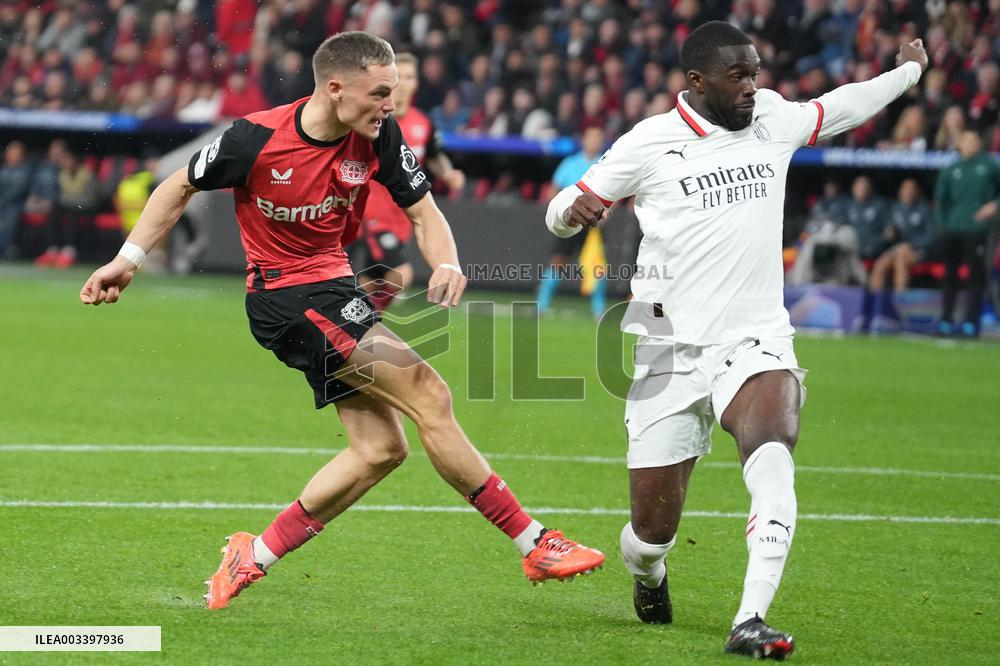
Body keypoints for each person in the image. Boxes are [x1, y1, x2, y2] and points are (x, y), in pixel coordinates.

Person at [80, 32, 603, 612]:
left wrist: (448, 261)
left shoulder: (378, 135)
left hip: (333, 287)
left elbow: (423, 211)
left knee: (380, 449)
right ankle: (535, 542)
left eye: (395, 92)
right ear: (334, 89)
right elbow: (177, 186)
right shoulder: (254, 138)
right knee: (429, 394)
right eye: (381, 92)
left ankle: (252, 555)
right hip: (288, 295)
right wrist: (127, 261)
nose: (391, 104)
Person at [546, 21, 927, 659]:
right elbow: (563, 209)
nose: (754, 86)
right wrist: (571, 211)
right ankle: (649, 574)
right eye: (739, 76)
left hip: (753, 338)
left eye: (756, 72)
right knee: (649, 534)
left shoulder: (772, 120)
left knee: (774, 452)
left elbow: (844, 104)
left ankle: (750, 619)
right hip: (667, 349)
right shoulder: (651, 142)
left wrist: (909, 72)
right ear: (696, 82)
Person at [351, 52, 466, 313]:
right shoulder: (373, 121)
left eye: (411, 76)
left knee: (372, 282)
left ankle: (348, 321)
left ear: (417, 83)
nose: (404, 82)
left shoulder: (424, 123)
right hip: (370, 212)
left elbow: (435, 156)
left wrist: (448, 173)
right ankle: (364, 322)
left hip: (402, 216)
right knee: (400, 274)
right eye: (399, 76)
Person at [934, 130, 1000, 337]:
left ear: (979, 143)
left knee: (975, 277)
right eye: (966, 140)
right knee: (950, 277)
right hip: (953, 229)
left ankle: (971, 323)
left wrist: (994, 205)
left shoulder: (989, 166)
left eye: (974, 139)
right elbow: (940, 200)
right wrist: (944, 224)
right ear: (959, 144)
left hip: (979, 230)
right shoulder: (951, 169)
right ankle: (946, 320)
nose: (970, 143)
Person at [537, 126, 609, 318]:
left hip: (594, 223)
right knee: (558, 261)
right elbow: (554, 189)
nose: (594, 141)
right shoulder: (570, 163)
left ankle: (598, 309)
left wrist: (606, 211)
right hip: (570, 220)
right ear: (584, 140)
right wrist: (557, 211)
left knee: (595, 264)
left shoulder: (605, 162)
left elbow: (616, 194)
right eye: (591, 137)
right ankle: (541, 305)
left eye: (598, 138)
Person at [860, 178, 938, 329]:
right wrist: (889, 234)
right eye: (905, 189)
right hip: (897, 250)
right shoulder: (895, 209)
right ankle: (874, 309)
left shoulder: (924, 209)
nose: (908, 192)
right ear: (900, 192)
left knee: (901, 259)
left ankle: (898, 311)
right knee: (882, 262)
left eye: (911, 189)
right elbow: (889, 232)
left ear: (917, 192)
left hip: (919, 252)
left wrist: (911, 245)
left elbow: (932, 236)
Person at [844, 175, 891, 262]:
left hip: (876, 250)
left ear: (870, 189)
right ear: (853, 188)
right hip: (852, 250)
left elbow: (889, 230)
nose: (862, 189)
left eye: (865, 187)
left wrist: (889, 232)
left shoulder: (880, 205)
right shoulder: (846, 206)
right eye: (859, 186)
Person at [0, 141, 32, 259]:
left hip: (17, 203)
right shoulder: (3, 169)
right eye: (11, 153)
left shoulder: (25, 170)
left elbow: (21, 189)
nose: (12, 155)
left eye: (16, 153)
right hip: (3, 202)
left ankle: (7, 248)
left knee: (11, 216)